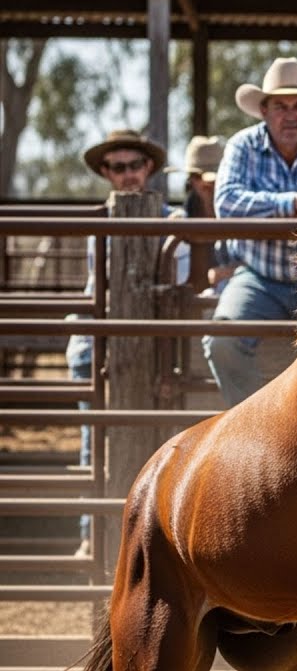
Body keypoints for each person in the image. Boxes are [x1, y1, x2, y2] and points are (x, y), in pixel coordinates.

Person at [203, 57, 297, 407]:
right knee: (222, 340)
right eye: (280, 106)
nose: (290, 114)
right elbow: (227, 204)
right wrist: (292, 203)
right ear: (264, 111)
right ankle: (253, 426)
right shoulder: (242, 146)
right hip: (258, 276)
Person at [68, 128, 170, 556]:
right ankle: (92, 533)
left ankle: (154, 533)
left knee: (159, 434)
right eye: (117, 167)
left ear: (148, 168)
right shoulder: (104, 219)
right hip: (108, 338)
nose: (127, 175)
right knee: (96, 435)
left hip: (151, 339)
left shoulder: (170, 220)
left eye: (134, 165)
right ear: (107, 173)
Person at [166, 135, 237, 293]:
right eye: (196, 176)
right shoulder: (176, 222)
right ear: (190, 181)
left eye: (215, 175)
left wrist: (231, 273)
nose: (205, 183)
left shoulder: (245, 215)